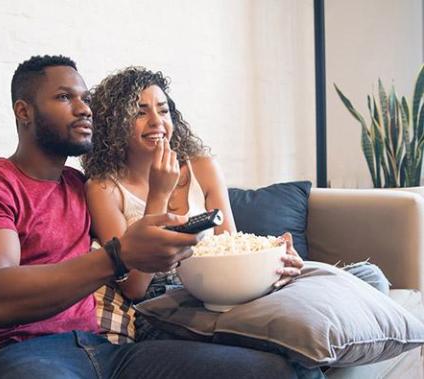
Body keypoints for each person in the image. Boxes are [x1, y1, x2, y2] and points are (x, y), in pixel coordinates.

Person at [0, 55, 302, 379]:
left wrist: (266, 258)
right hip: (17, 353)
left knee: (274, 372)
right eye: (65, 97)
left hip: (103, 349)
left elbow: (221, 248)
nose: (85, 109)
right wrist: (118, 255)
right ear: (24, 112)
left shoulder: (76, 186)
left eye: (85, 98)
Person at [83, 66, 390, 344]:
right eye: (140, 112)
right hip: (166, 301)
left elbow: (227, 247)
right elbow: (134, 289)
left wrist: (271, 261)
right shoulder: (104, 188)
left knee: (369, 276)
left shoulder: (201, 166)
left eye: (163, 110)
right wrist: (159, 196)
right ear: (115, 125)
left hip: (223, 285)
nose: (157, 122)